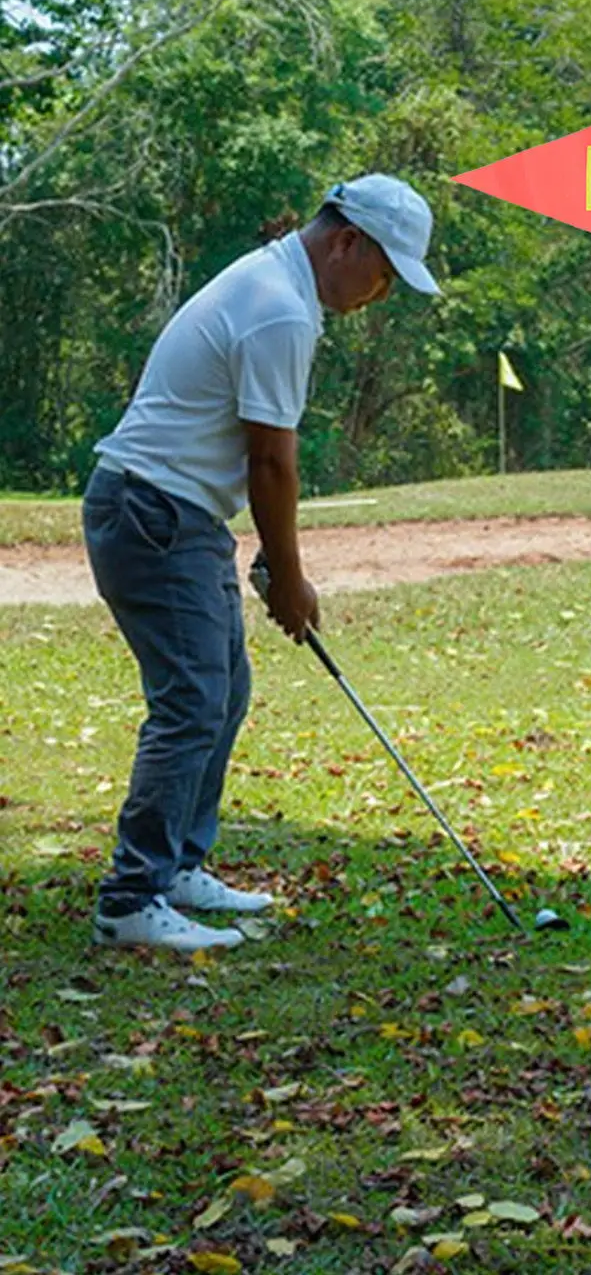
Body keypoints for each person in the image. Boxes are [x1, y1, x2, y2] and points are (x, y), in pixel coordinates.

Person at [82, 175, 440, 953]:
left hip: (176, 514)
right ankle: (131, 896)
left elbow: (258, 462)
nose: (380, 294)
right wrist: (290, 576)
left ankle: (176, 866)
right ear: (346, 241)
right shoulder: (280, 310)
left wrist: (275, 568)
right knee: (191, 704)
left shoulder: (278, 285)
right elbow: (271, 463)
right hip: (152, 513)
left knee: (223, 692)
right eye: (383, 273)